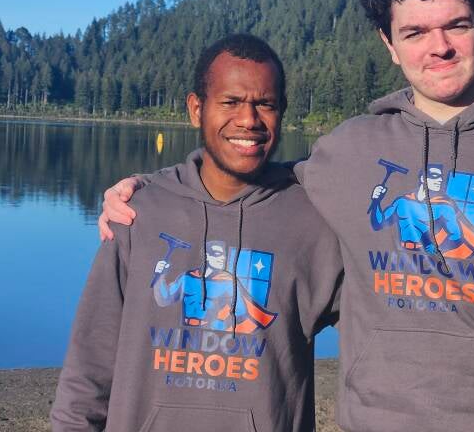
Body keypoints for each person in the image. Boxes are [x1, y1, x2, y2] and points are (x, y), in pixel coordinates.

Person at [102, 0, 474, 431]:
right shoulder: (347, 150)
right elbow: (247, 183)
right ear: (390, 44)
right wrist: (151, 187)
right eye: (415, 33)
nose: (439, 47)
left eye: (457, 26)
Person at [51, 35, 344, 432]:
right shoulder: (138, 214)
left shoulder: (315, 221)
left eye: (265, 104)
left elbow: (384, 327)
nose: (248, 119)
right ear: (196, 109)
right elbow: (88, 368)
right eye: (231, 102)